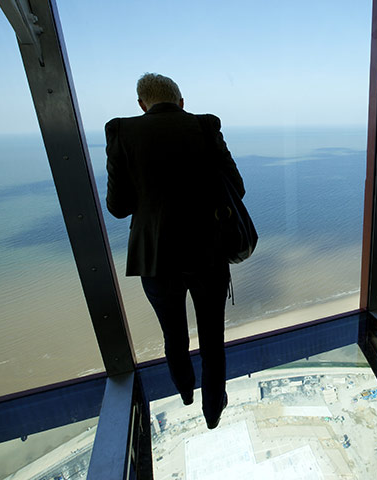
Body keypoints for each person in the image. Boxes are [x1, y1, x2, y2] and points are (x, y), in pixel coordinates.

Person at [105, 73, 244, 429]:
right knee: (212, 339)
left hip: (154, 257)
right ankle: (213, 410)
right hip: (208, 253)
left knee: (174, 335)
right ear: (181, 101)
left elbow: (119, 207)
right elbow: (236, 188)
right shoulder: (205, 126)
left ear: (142, 104)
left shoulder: (120, 131)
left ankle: (185, 391)